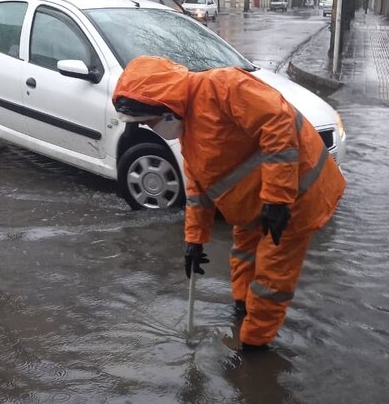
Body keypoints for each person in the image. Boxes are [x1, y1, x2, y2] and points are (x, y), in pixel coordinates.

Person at [112, 56, 346, 350]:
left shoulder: (224, 87)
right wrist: (194, 240)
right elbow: (199, 186)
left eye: (148, 121)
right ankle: (241, 310)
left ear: (166, 105)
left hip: (294, 195)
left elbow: (279, 124)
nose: (149, 127)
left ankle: (254, 348)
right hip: (255, 202)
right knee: (243, 255)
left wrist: (277, 199)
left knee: (272, 277)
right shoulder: (190, 130)